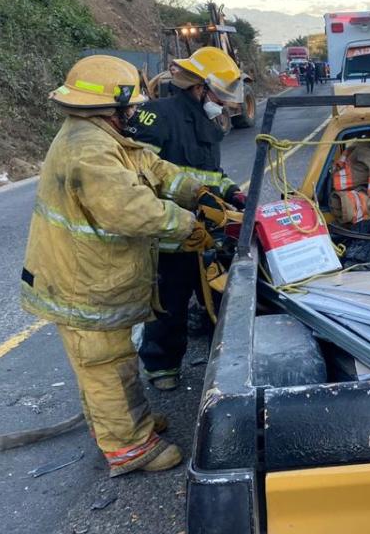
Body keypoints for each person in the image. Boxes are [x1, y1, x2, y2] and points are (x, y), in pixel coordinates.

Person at [20, 55, 206, 476]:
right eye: (131, 106)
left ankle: (122, 427)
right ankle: (129, 447)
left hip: (88, 277)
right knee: (104, 366)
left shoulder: (103, 136)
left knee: (112, 362)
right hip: (80, 284)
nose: (136, 112)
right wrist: (188, 223)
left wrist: (196, 192)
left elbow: (152, 168)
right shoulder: (89, 150)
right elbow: (131, 210)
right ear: (113, 107)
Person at [130, 46, 246, 390]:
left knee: (217, 297)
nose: (223, 103)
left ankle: (224, 364)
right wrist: (192, 200)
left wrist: (231, 191)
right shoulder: (157, 116)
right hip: (169, 233)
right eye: (218, 94)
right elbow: (144, 175)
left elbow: (210, 172)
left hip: (205, 230)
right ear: (198, 87)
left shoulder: (205, 120)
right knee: (169, 303)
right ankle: (162, 367)